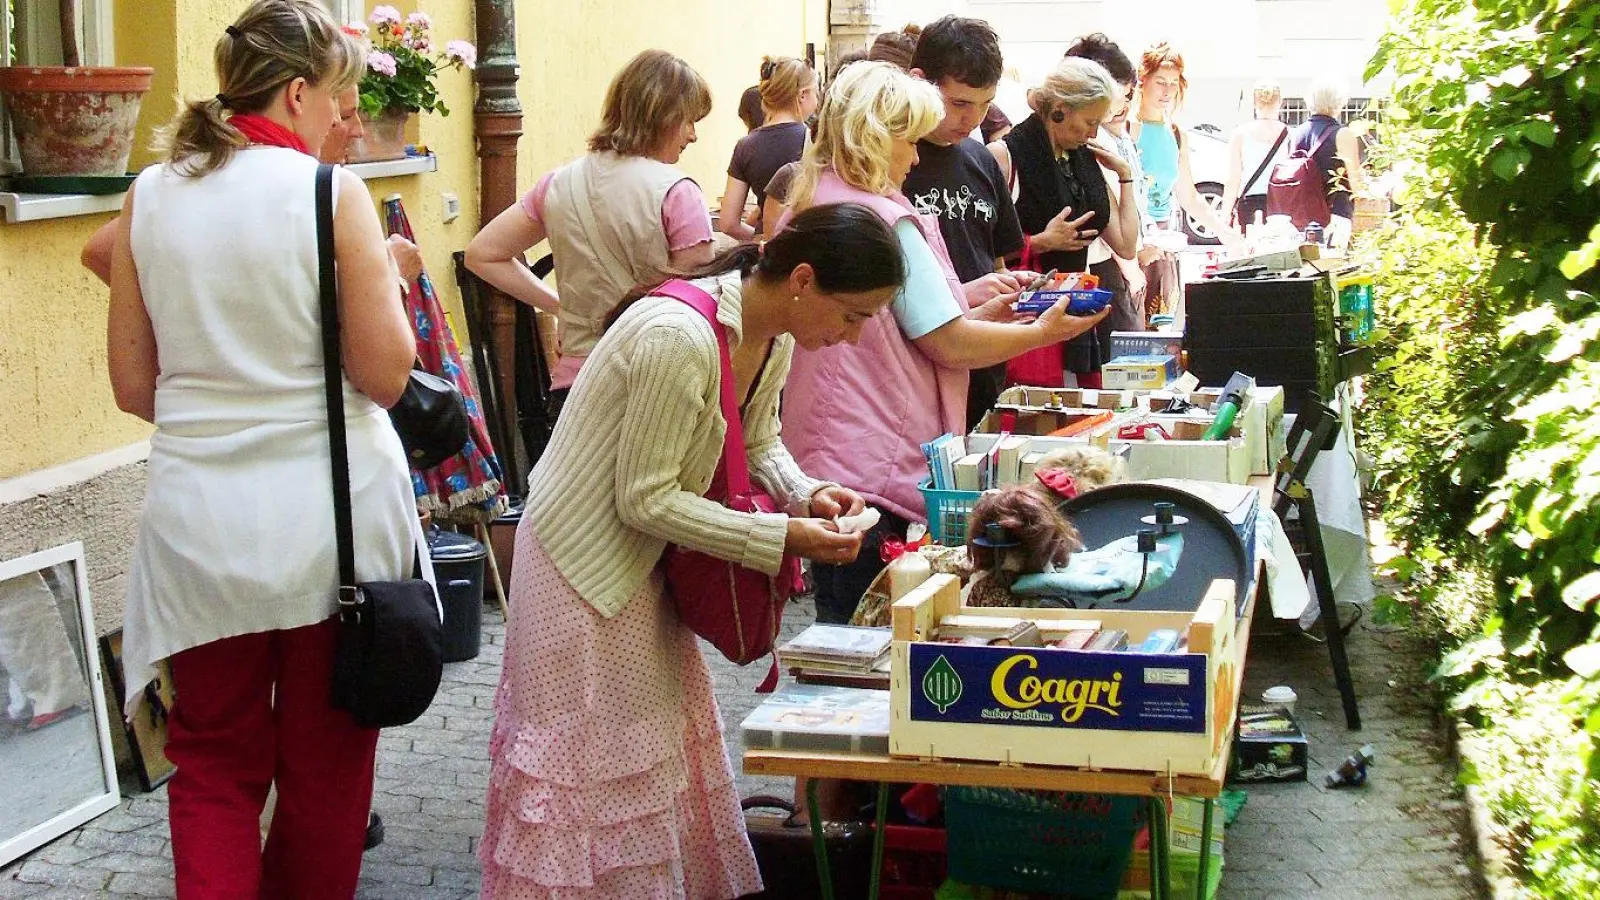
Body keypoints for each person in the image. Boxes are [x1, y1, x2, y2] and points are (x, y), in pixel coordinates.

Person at [478, 202, 905, 899]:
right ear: (803, 279)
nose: (853, 337)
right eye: (853, 315)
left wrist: (808, 494)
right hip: (577, 567)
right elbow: (643, 499)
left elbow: (758, 441)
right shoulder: (678, 334)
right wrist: (783, 536)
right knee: (585, 772)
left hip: (649, 560)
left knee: (649, 760)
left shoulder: (773, 333)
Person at [105, 2, 420, 895]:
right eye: (339, 97)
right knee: (325, 772)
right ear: (295, 92)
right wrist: (388, 285)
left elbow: (136, 387)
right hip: (328, 528)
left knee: (210, 767)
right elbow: (388, 373)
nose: (344, 117)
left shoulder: (151, 193)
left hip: (198, 525)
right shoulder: (328, 194)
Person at [780, 61, 1108, 623]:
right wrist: (1041, 330)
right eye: (909, 142)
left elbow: (898, 323)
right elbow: (949, 344)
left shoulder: (814, 195)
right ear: (876, 137)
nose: (915, 158)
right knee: (869, 633)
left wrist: (982, 301)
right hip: (874, 454)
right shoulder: (882, 215)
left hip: (830, 447)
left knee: (840, 626)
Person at [464, 49, 716, 399]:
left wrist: (559, 306)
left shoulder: (558, 184)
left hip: (575, 385)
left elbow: (482, 254)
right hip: (651, 385)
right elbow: (697, 306)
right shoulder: (677, 192)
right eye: (689, 120)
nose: (692, 135)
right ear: (663, 115)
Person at [83, 85, 424, 288]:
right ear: (300, 99)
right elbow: (101, 249)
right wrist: (390, 278)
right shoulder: (251, 179)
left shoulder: (321, 192)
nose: (359, 130)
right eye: (346, 115)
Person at [901, 15, 1028, 427]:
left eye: (985, 104)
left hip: (983, 368)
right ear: (919, 82)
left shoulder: (981, 160)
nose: (973, 118)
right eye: (959, 103)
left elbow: (996, 260)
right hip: (916, 374)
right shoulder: (891, 161)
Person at [990, 57, 1140, 386]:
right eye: (1089, 121)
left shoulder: (1083, 159)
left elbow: (1127, 245)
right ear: (1059, 109)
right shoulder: (1004, 157)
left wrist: (1125, 176)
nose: (1094, 132)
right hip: (1025, 320)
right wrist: (1042, 241)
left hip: (1076, 316)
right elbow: (979, 252)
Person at [1130, 42, 1240, 315]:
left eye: (1173, 82)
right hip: (1132, 246)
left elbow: (1189, 197)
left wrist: (1226, 233)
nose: (1167, 91)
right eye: (1160, 82)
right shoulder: (1126, 129)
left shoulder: (1176, 133)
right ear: (1142, 82)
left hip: (1166, 246)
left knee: (1163, 331)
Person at [1064, 34, 1149, 370]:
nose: (1121, 106)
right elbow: (1123, 242)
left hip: (1100, 270)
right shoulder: (1092, 141)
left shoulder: (1104, 137)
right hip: (1092, 273)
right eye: (1121, 96)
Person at [717, 56, 818, 240]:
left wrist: (761, 237)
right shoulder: (815, 141)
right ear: (802, 95)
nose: (817, 100)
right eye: (815, 93)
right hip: (808, 244)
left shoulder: (745, 146)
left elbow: (728, 223)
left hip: (766, 252)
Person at [1292, 76, 1362, 247]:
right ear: (1338, 102)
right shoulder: (1343, 134)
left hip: (1300, 216)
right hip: (1334, 214)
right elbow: (1356, 182)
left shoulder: (1295, 134)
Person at [1221, 77, 1291, 232]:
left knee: (1250, 251)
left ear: (1254, 103)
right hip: (1280, 202)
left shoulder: (1240, 134)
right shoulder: (1289, 134)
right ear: (1280, 102)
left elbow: (1233, 179)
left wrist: (1225, 214)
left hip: (1249, 202)